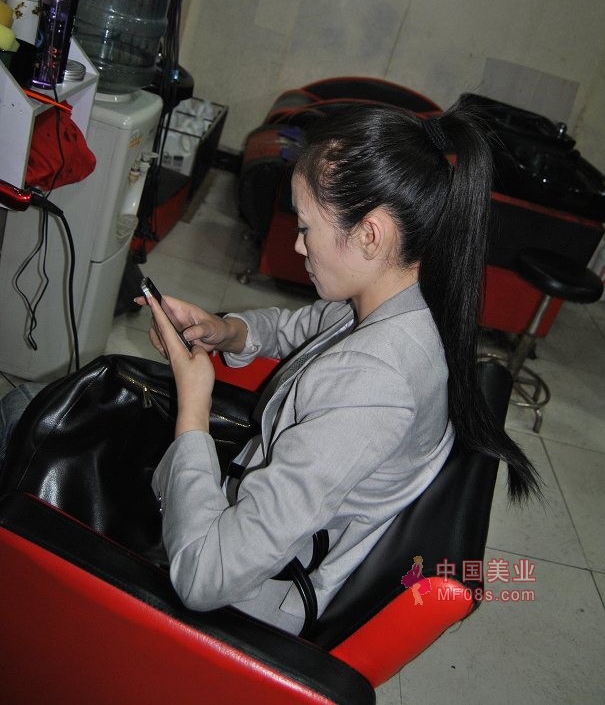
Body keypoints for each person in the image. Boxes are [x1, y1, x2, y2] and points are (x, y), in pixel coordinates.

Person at [137, 101, 540, 635]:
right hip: (271, 519)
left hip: (258, 592)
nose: (297, 244)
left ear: (370, 234)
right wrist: (226, 330)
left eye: (306, 227)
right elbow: (301, 327)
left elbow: (205, 575)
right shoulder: (404, 300)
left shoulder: (374, 385)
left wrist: (193, 408)